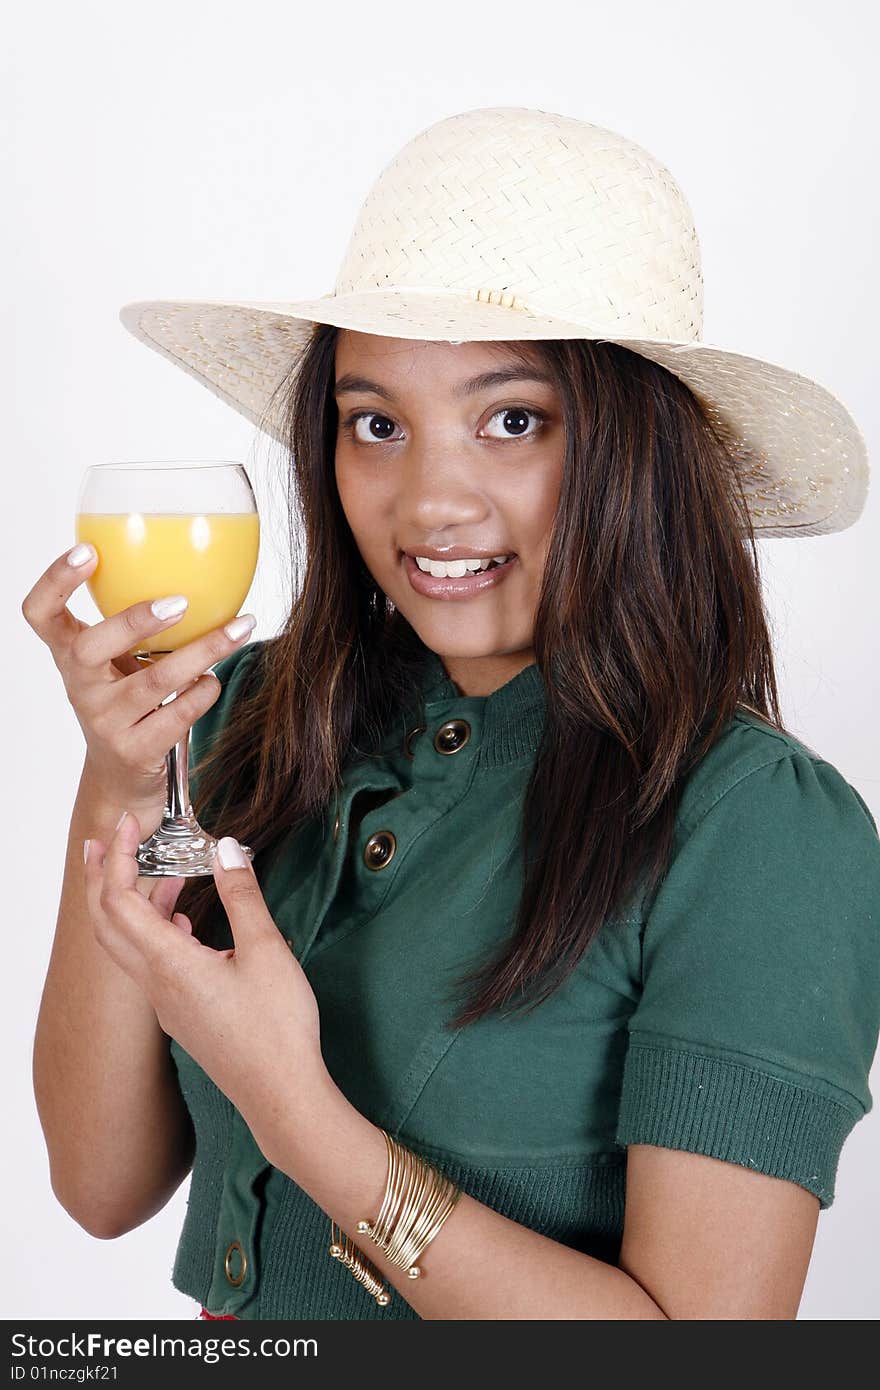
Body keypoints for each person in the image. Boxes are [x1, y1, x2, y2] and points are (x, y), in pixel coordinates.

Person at [26, 106, 880, 1321]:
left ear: (641, 450)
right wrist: (120, 778)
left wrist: (295, 1108)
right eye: (376, 424)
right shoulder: (254, 719)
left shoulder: (760, 836)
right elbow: (99, 1183)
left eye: (513, 420)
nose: (428, 501)